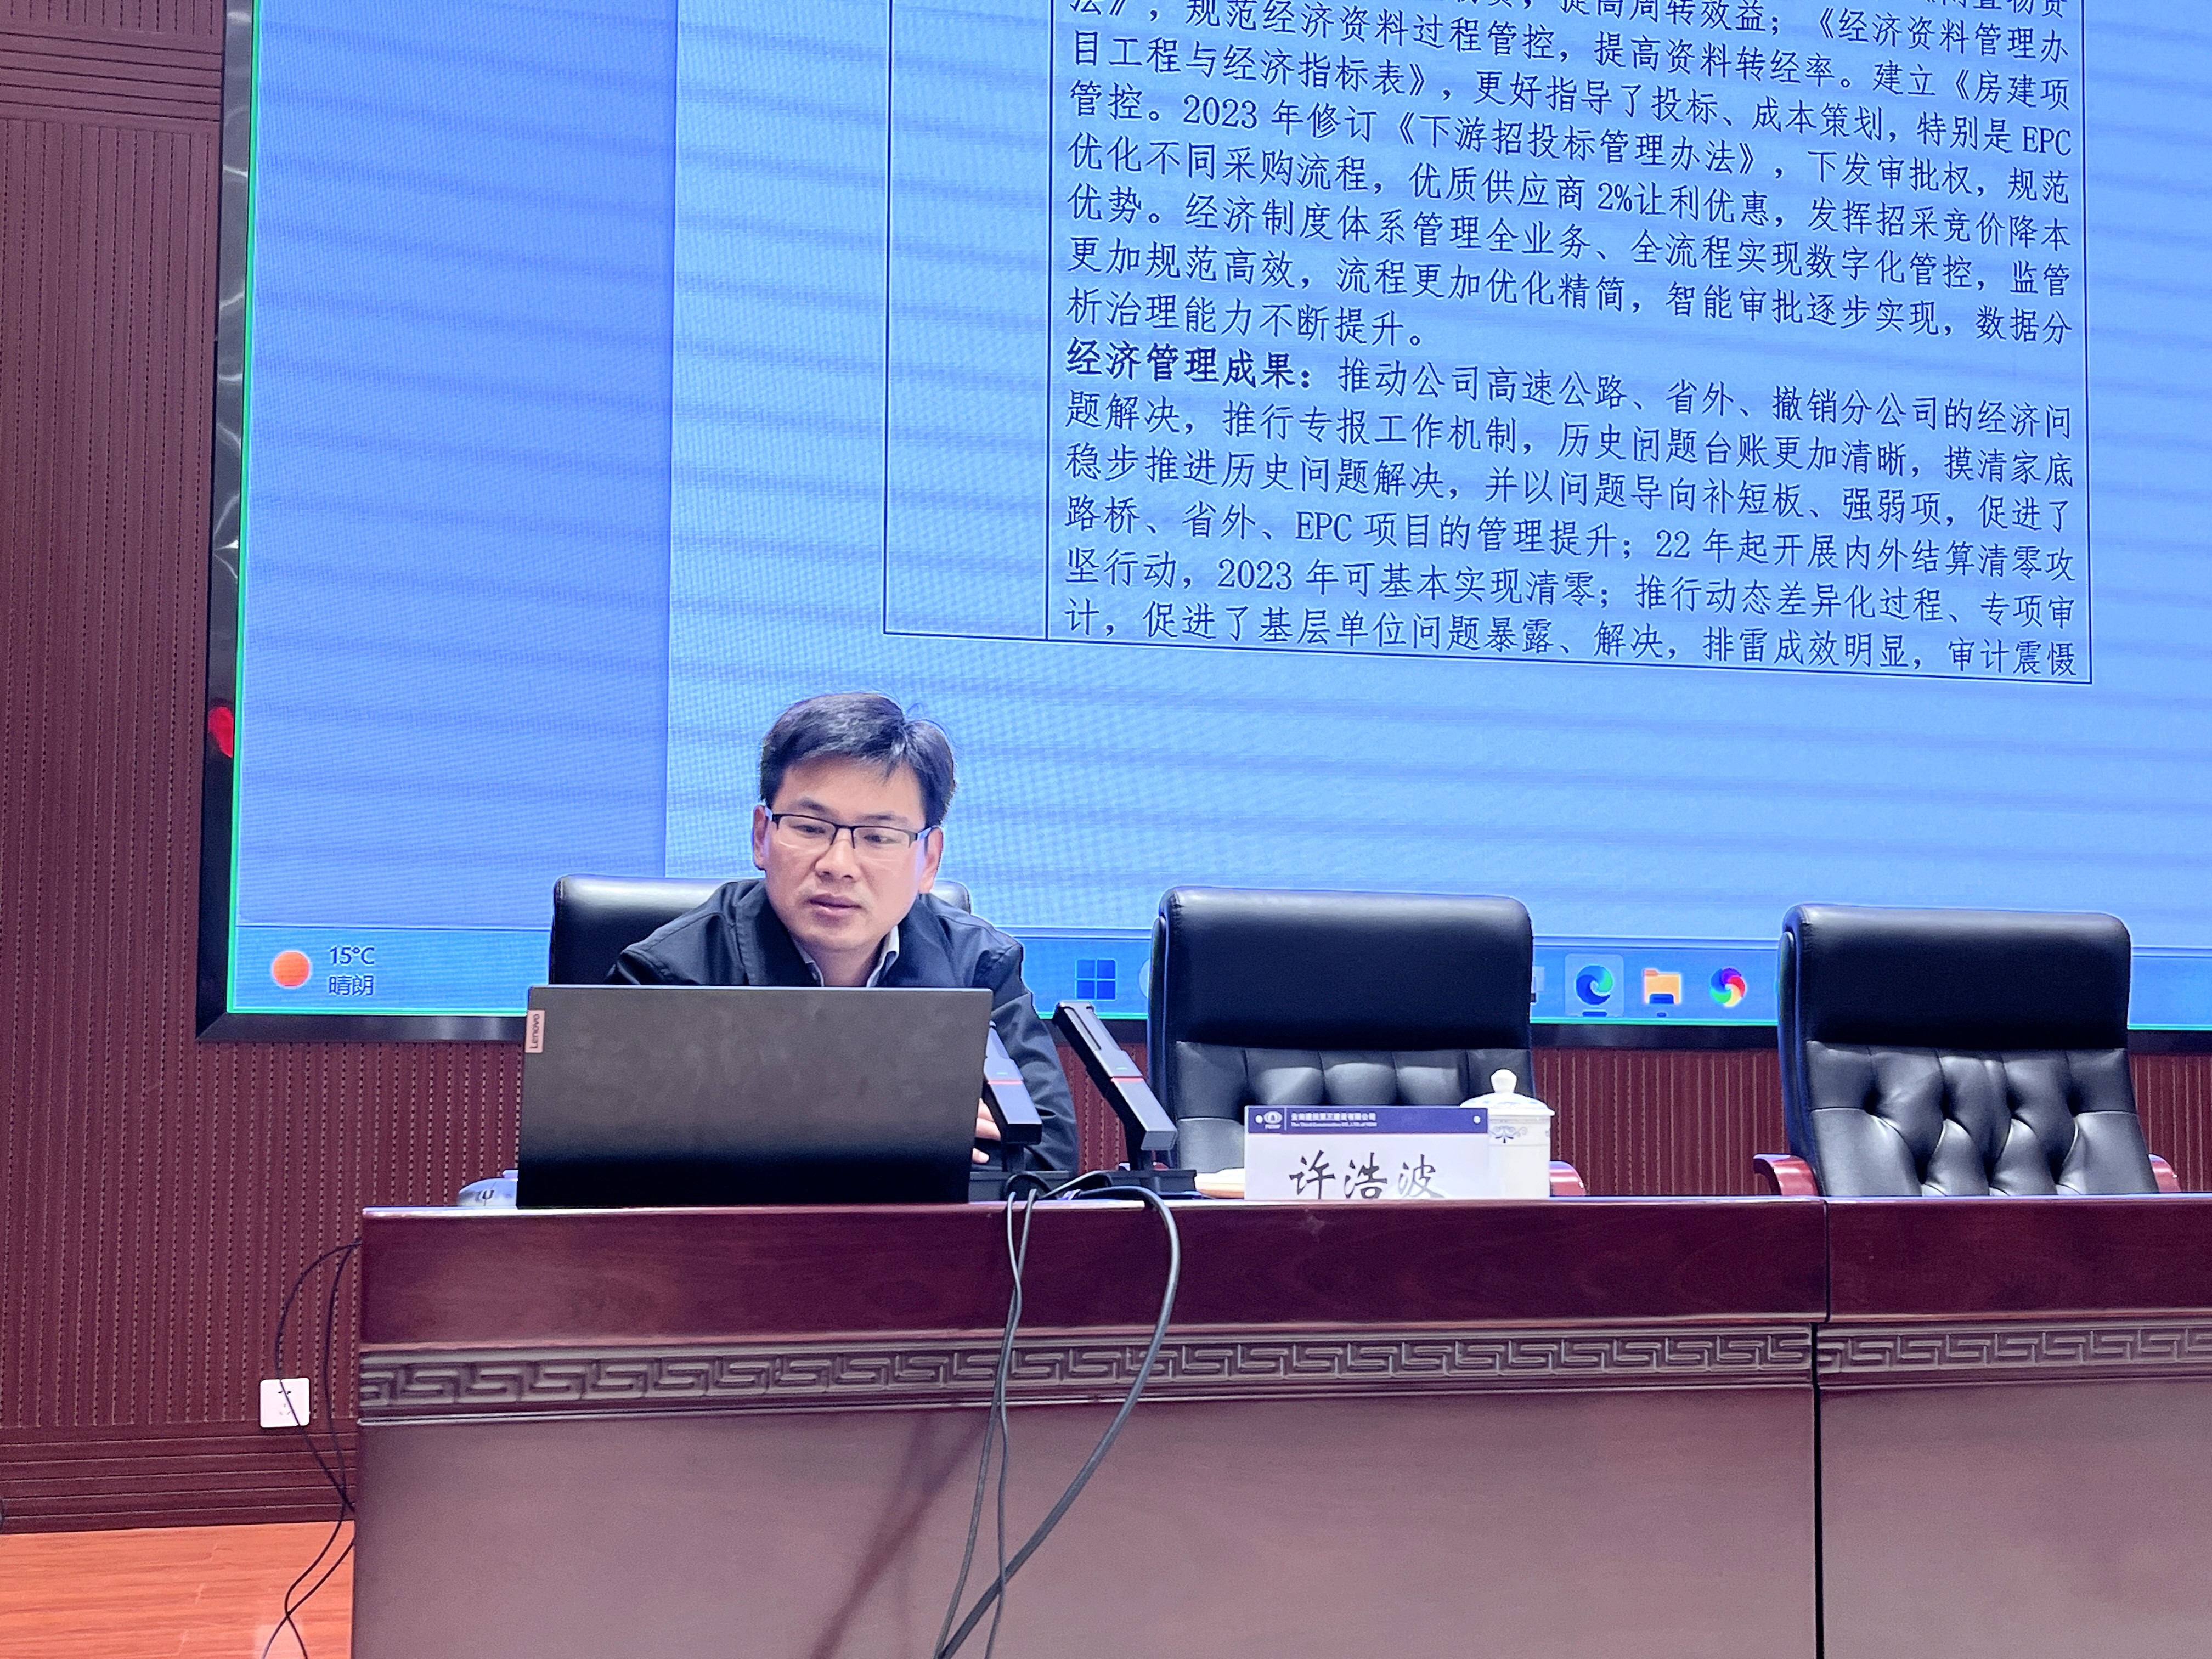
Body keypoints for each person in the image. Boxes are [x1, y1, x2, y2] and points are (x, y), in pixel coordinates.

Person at [610, 692, 1078, 1173]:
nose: (838, 864)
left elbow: (1047, 1160)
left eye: (877, 837)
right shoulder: (669, 975)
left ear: (929, 860)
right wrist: (876, 1126)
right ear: (761, 836)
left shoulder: (978, 968)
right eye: (810, 828)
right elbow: (616, 1168)